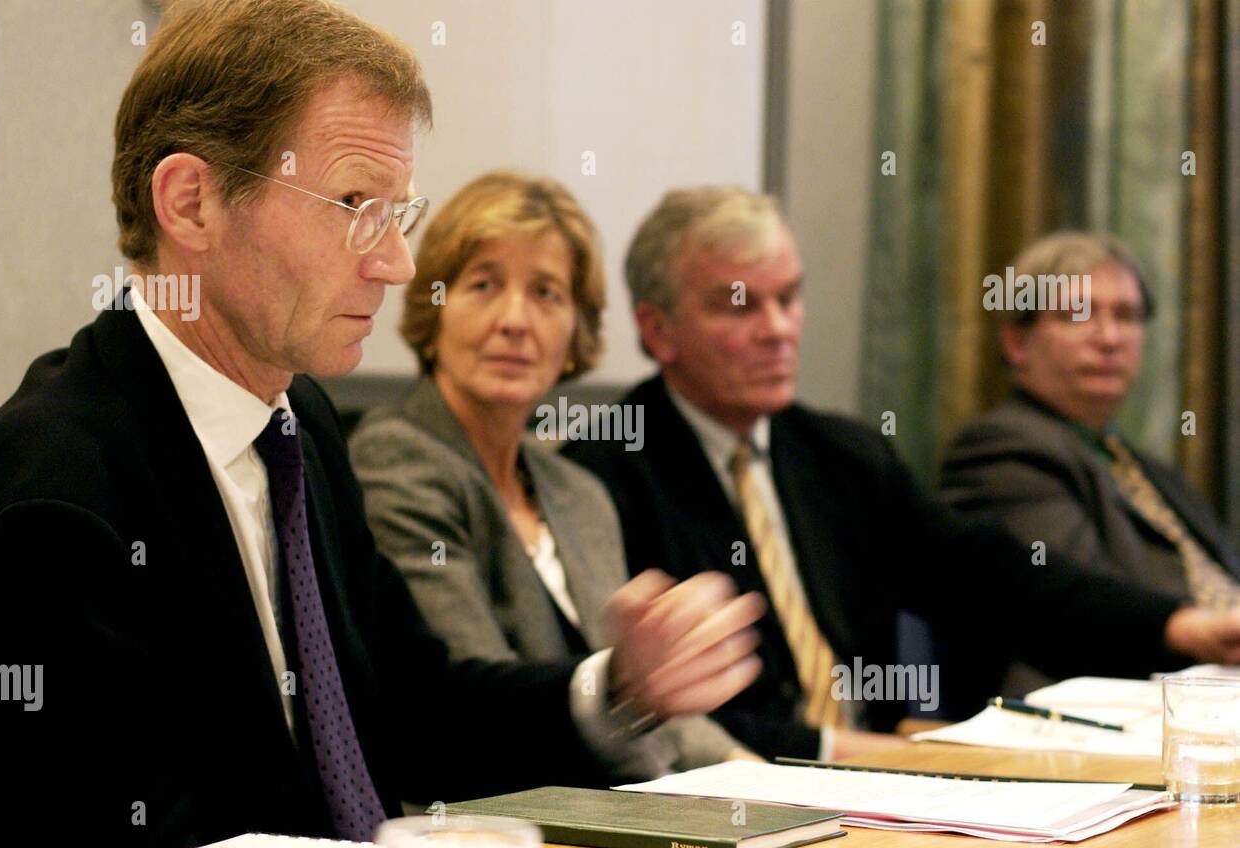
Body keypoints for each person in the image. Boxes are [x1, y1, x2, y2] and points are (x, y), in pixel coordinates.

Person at [0, 1, 762, 848]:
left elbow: (413, 703)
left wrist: (616, 686)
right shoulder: (55, 481)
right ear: (191, 204)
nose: (398, 263)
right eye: (352, 203)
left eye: (397, 212)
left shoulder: (302, 426)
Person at [565, 186, 1240, 761]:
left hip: (883, 782)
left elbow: (993, 578)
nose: (780, 329)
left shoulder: (840, 454)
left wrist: (1177, 628)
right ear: (658, 331)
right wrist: (868, 752)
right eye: (741, 306)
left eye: (790, 298)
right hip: (729, 795)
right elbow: (655, 710)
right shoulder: (603, 472)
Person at [350, 171, 758, 778]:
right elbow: (474, 711)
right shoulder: (396, 459)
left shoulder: (578, 491)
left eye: (546, 293)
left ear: (575, 333)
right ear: (433, 310)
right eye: (483, 285)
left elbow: (653, 701)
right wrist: (633, 695)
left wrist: (756, 775)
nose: (515, 320)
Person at [941, 231, 1240, 694]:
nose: (1109, 337)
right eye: (1077, 313)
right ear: (1017, 343)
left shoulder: (1151, 469)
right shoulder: (1000, 451)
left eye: (1126, 315)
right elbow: (1080, 605)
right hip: (1098, 711)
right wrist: (1200, 628)